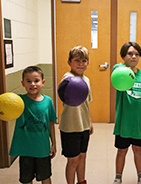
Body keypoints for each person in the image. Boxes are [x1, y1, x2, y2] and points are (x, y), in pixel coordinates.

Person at [112, 41, 141, 184]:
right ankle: (118, 177)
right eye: (130, 53)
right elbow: (115, 67)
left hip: (138, 121)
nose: (133, 56)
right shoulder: (120, 72)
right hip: (123, 122)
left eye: (136, 54)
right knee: (121, 151)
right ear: (123, 56)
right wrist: (123, 64)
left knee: (138, 150)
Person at [10, 66, 57, 184]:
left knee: (45, 177)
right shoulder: (18, 101)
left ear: (43, 82)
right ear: (23, 83)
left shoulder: (48, 101)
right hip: (25, 150)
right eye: (28, 81)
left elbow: (51, 123)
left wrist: (54, 144)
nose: (33, 84)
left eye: (36, 81)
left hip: (42, 149)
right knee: (26, 179)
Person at [59, 46, 93, 184]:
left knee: (82, 157)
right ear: (69, 62)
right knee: (73, 160)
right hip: (70, 126)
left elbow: (86, 104)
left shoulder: (87, 80)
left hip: (83, 125)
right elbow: (63, 91)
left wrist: (89, 122)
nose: (81, 63)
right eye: (77, 60)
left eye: (84, 60)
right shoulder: (67, 78)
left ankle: (82, 181)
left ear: (88, 62)